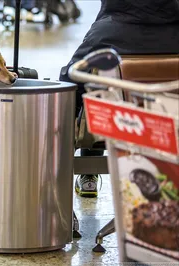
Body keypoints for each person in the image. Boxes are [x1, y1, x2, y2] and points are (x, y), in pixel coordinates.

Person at [59, 0, 179, 198]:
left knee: (82, 97)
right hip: (172, 130)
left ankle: (82, 179)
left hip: (120, 128)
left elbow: (69, 83)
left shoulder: (105, 33)